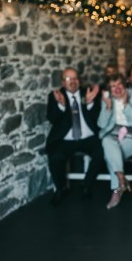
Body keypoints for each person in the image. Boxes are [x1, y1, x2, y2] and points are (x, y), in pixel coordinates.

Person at [45, 67, 104, 206]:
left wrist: (90, 104)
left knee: (100, 154)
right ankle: (60, 190)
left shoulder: (87, 93)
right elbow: (52, 119)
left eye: (75, 78)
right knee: (55, 156)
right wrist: (61, 106)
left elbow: (98, 118)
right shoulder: (56, 95)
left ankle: (86, 185)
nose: (73, 81)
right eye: (68, 79)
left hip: (88, 137)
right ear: (63, 82)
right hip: (66, 139)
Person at [98, 74, 132, 209]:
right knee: (107, 141)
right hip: (114, 135)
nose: (116, 89)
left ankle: (116, 190)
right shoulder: (107, 98)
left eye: (119, 85)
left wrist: (125, 103)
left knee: (111, 153)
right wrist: (108, 107)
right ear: (109, 89)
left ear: (125, 84)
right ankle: (121, 179)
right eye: (113, 86)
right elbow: (102, 124)